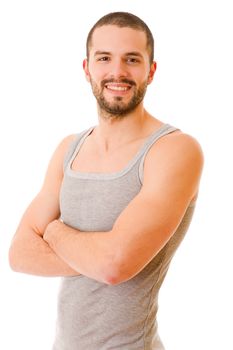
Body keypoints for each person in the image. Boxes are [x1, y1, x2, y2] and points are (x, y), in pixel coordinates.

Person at [9, 11, 204, 350]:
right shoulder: (68, 149)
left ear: (151, 70)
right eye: (104, 58)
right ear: (87, 69)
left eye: (132, 59)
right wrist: (98, 252)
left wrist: (52, 231)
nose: (117, 72)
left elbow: (114, 266)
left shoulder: (174, 150)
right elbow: (19, 253)